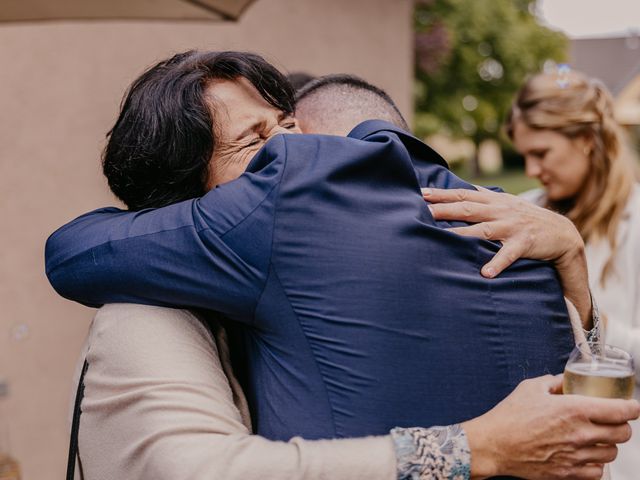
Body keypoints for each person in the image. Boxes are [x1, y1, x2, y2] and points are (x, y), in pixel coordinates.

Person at [45, 52, 635, 479]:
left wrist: (575, 271)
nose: (293, 151)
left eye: (289, 125)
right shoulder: (144, 316)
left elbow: (71, 249)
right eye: (259, 140)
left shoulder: (504, 228)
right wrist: (470, 448)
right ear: (181, 192)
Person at [498, 68, 640, 480]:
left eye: (541, 153)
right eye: (524, 155)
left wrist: (589, 320)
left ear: (586, 141)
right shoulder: (522, 211)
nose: (530, 169)